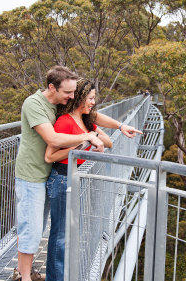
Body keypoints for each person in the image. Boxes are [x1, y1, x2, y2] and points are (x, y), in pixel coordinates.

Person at [13, 66, 141, 281]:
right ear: (52, 87)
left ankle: (24, 271)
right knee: (32, 229)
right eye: (68, 93)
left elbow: (93, 115)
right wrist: (87, 138)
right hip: (32, 174)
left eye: (74, 93)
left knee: (39, 226)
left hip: (48, 174)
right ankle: (23, 276)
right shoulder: (34, 104)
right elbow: (53, 140)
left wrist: (120, 126)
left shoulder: (59, 104)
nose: (71, 96)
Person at [44, 79, 112, 281]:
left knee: (69, 235)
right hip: (62, 179)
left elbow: (108, 142)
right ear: (81, 98)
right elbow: (50, 155)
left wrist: (92, 133)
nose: (93, 103)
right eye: (90, 98)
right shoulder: (65, 121)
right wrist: (84, 141)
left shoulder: (84, 121)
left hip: (75, 179)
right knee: (60, 236)